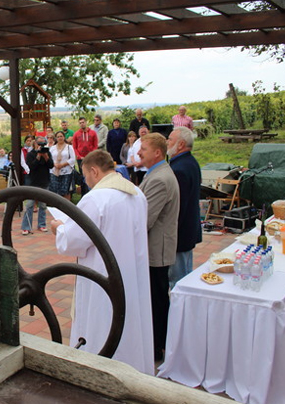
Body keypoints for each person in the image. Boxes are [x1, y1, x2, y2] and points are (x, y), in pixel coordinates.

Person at [50, 150, 153, 374]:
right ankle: (134, 367)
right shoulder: (137, 193)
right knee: (130, 320)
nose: (86, 181)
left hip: (102, 275)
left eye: (85, 175)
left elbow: (74, 241)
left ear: (94, 171)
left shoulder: (96, 199)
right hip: (131, 273)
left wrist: (59, 228)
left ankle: (98, 372)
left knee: (101, 323)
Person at [138, 132, 179, 362]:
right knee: (156, 298)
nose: (139, 152)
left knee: (157, 301)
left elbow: (144, 220)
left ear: (157, 152)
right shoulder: (156, 174)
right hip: (155, 248)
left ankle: (157, 347)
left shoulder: (159, 179)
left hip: (156, 250)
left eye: (143, 148)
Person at [167, 127, 202, 288]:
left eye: (170, 140)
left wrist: (170, 235)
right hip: (187, 231)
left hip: (180, 234)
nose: (167, 143)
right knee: (185, 275)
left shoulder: (179, 169)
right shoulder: (190, 162)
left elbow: (177, 208)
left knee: (178, 281)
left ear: (180, 144)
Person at [21, 136, 53, 235]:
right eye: (39, 144)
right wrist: (38, 156)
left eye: (43, 144)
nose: (41, 146)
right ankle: (26, 227)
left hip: (44, 181)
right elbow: (31, 166)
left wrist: (46, 157)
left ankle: (42, 224)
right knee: (30, 205)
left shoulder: (48, 153)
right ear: (35, 143)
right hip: (33, 182)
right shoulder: (31, 154)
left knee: (43, 205)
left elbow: (51, 165)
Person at [49, 131, 75, 200]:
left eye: (61, 136)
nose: (60, 138)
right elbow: (49, 159)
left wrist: (62, 164)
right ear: (56, 138)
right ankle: (56, 208)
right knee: (55, 191)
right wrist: (55, 164)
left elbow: (73, 159)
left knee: (66, 191)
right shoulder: (52, 148)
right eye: (58, 137)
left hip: (66, 172)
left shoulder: (69, 147)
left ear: (64, 137)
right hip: (54, 172)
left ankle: (66, 208)